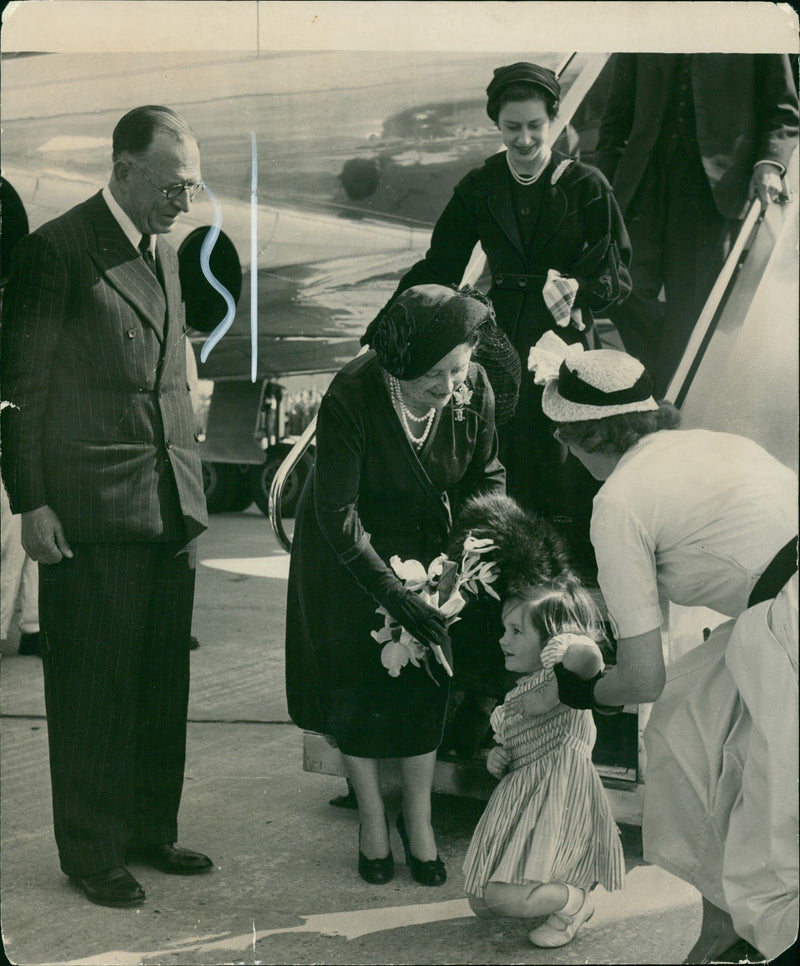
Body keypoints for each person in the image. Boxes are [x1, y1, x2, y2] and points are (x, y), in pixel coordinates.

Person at [0, 105, 212, 908]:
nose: (184, 203)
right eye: (171, 186)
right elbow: (19, 393)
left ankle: (149, 830)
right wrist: (33, 502)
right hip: (89, 509)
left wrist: (192, 489)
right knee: (93, 686)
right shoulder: (54, 252)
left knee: (161, 682)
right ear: (124, 170)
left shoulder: (164, 249)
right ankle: (91, 851)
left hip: (169, 503)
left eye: (191, 187)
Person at [528, 336, 798, 962]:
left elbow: (641, 677)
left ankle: (769, 939)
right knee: (688, 725)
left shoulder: (617, 501)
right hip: (772, 612)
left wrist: (577, 691)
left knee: (774, 828)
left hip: (787, 621)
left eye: (562, 440)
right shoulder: (714, 443)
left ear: (579, 439)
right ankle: (722, 926)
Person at [285, 284, 515, 886]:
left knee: (425, 680)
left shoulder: (473, 387)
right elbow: (338, 516)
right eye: (432, 378)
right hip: (346, 547)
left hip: (423, 538)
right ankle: (371, 819)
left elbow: (486, 480)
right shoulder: (353, 393)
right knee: (355, 681)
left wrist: (460, 564)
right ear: (397, 368)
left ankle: (420, 819)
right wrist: (394, 596)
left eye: (457, 371)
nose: (448, 388)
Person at [368, 62, 632, 579]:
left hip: (564, 342)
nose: (526, 138)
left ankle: (566, 585)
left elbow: (618, 277)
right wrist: (384, 328)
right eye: (513, 127)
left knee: (563, 466)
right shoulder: (481, 185)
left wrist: (581, 289)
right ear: (497, 125)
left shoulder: (587, 185)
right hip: (498, 342)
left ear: (553, 120)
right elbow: (439, 265)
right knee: (499, 459)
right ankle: (502, 582)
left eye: (536, 125)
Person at [595, 53, 799, 397]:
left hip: (711, 192)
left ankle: (665, 405)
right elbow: (616, 116)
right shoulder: (648, 18)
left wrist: (769, 163)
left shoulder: (751, 18)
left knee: (690, 312)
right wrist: (601, 188)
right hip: (644, 184)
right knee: (620, 291)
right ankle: (658, 387)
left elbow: (783, 109)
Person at [463, 577, 625, 949]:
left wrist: (554, 689)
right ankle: (543, 891)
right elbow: (513, 747)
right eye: (505, 629)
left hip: (558, 802)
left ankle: (575, 904)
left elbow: (588, 654)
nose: (504, 639)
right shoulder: (519, 692)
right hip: (523, 802)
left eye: (516, 631)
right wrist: (497, 758)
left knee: (504, 898)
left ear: (553, 640)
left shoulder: (567, 680)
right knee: (481, 903)